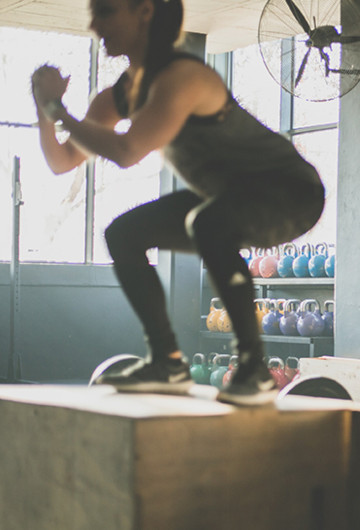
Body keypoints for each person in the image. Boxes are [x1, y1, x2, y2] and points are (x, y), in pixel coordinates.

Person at [30, 0, 325, 406]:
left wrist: (57, 108)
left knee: (208, 224)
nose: (94, 24)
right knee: (124, 234)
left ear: (145, 11)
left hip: (290, 191)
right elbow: (62, 161)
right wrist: (45, 112)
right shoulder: (117, 97)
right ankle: (167, 362)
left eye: (107, 11)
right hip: (226, 196)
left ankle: (254, 370)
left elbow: (127, 150)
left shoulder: (184, 77)